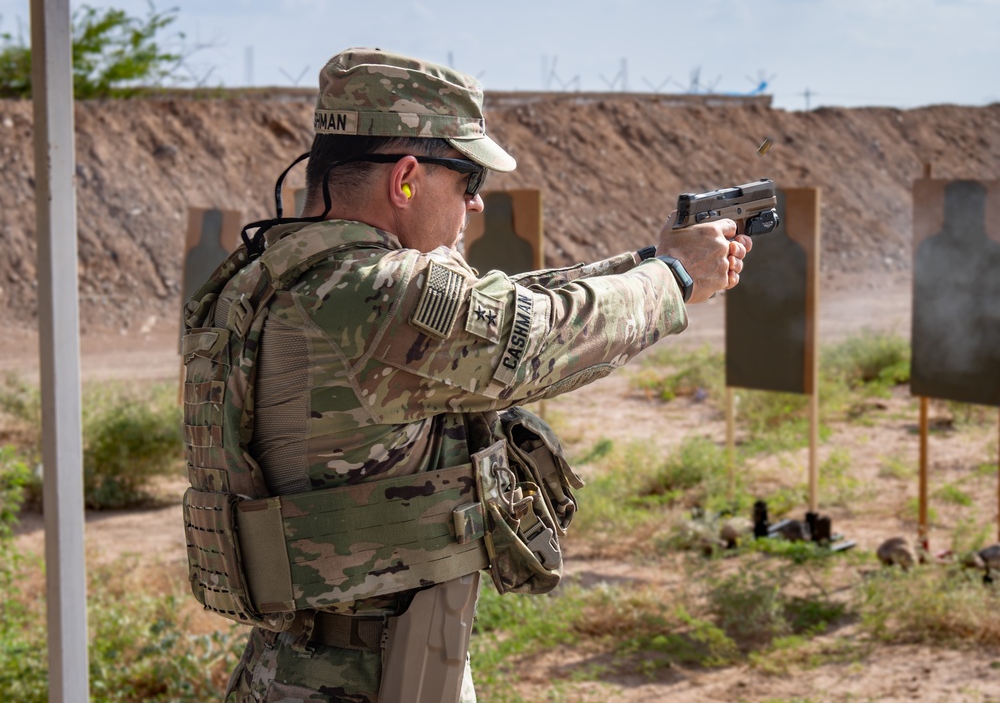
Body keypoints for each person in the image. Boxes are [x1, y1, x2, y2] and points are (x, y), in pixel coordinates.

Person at [180, 47, 751, 703]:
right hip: (369, 676)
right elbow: (533, 340)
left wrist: (649, 261)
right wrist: (673, 279)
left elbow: (499, 312)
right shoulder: (371, 289)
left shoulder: (281, 276)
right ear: (405, 179)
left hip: (304, 661)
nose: (476, 207)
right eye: (468, 183)